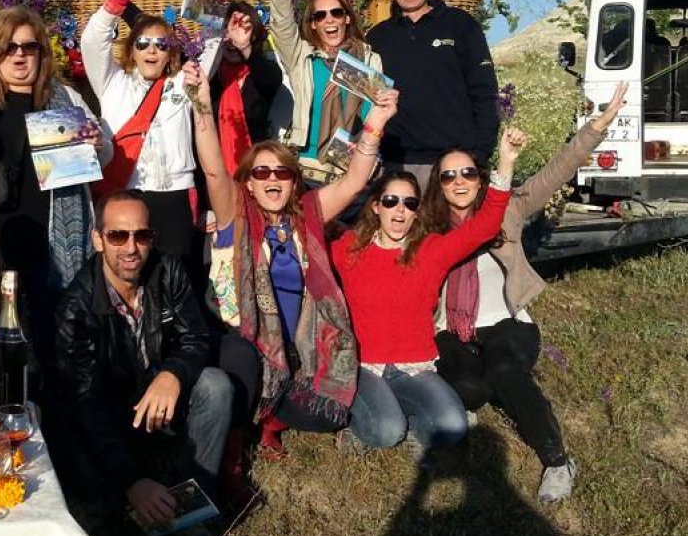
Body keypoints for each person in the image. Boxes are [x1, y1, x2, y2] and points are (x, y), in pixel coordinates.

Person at [420, 82, 629, 501]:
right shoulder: (428, 229)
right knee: (470, 388)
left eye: (468, 172)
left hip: (506, 322)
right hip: (452, 330)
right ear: (438, 185)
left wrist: (596, 127)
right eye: (449, 175)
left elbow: (558, 170)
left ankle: (557, 460)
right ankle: (464, 403)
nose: (459, 181)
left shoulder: (509, 207)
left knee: (503, 371)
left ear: (481, 177)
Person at [185, 60, 399, 461]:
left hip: (294, 345)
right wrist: (201, 105)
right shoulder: (235, 213)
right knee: (243, 360)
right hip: (241, 340)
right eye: (261, 172)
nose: (271, 179)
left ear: (293, 181)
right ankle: (233, 445)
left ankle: (268, 416)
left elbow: (354, 181)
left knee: (328, 414)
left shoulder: (307, 215)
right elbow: (214, 172)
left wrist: (377, 121)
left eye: (282, 172)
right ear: (248, 181)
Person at [330, 128, 527, 464]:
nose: (400, 211)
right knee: (386, 431)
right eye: (390, 201)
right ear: (375, 206)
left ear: (417, 211)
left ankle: (392, 408)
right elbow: (306, 228)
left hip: (414, 367)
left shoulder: (430, 251)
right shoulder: (349, 249)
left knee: (453, 426)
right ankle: (363, 422)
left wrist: (505, 165)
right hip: (364, 365)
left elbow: (485, 226)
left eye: (410, 203)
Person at [55, 189, 233, 527]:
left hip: (162, 398)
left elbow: (195, 337)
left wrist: (173, 374)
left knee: (216, 386)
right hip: (115, 413)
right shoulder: (75, 309)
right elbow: (84, 401)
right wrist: (130, 480)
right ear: (98, 240)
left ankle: (197, 498)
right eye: (118, 235)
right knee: (94, 496)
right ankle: (134, 494)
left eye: (142, 235)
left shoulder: (168, 271)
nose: (131, 247)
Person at [0, 5, 111, 364]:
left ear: (41, 53)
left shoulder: (65, 99)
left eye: (28, 47)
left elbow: (103, 156)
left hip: (53, 252)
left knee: (53, 350)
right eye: (8, 47)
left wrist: (97, 146)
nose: (19, 55)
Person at [77, 0, 201, 265]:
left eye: (162, 45)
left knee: (178, 279)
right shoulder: (112, 82)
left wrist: (220, 7)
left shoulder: (183, 82)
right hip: (126, 192)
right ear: (131, 50)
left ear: (172, 53)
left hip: (175, 196)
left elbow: (211, 45)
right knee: (127, 275)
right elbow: (93, 43)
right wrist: (115, 0)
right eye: (142, 43)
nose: (151, 50)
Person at [366, 0, 500, 189]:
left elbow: (485, 95)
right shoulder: (377, 38)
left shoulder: (461, 26)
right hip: (395, 169)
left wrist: (478, 158)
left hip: (454, 168)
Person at [268, 0, 384, 185]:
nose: (329, 19)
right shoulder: (303, 57)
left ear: (346, 18)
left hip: (350, 171)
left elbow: (372, 117)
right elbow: (281, 21)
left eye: (336, 12)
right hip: (306, 170)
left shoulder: (366, 59)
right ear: (313, 23)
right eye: (321, 15)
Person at [123, 0, 283, 176]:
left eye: (239, 30)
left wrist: (243, 45)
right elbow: (154, 32)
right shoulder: (203, 70)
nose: (231, 39)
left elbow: (271, 79)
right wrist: (217, 4)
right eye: (226, 30)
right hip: (206, 177)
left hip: (252, 174)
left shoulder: (259, 75)